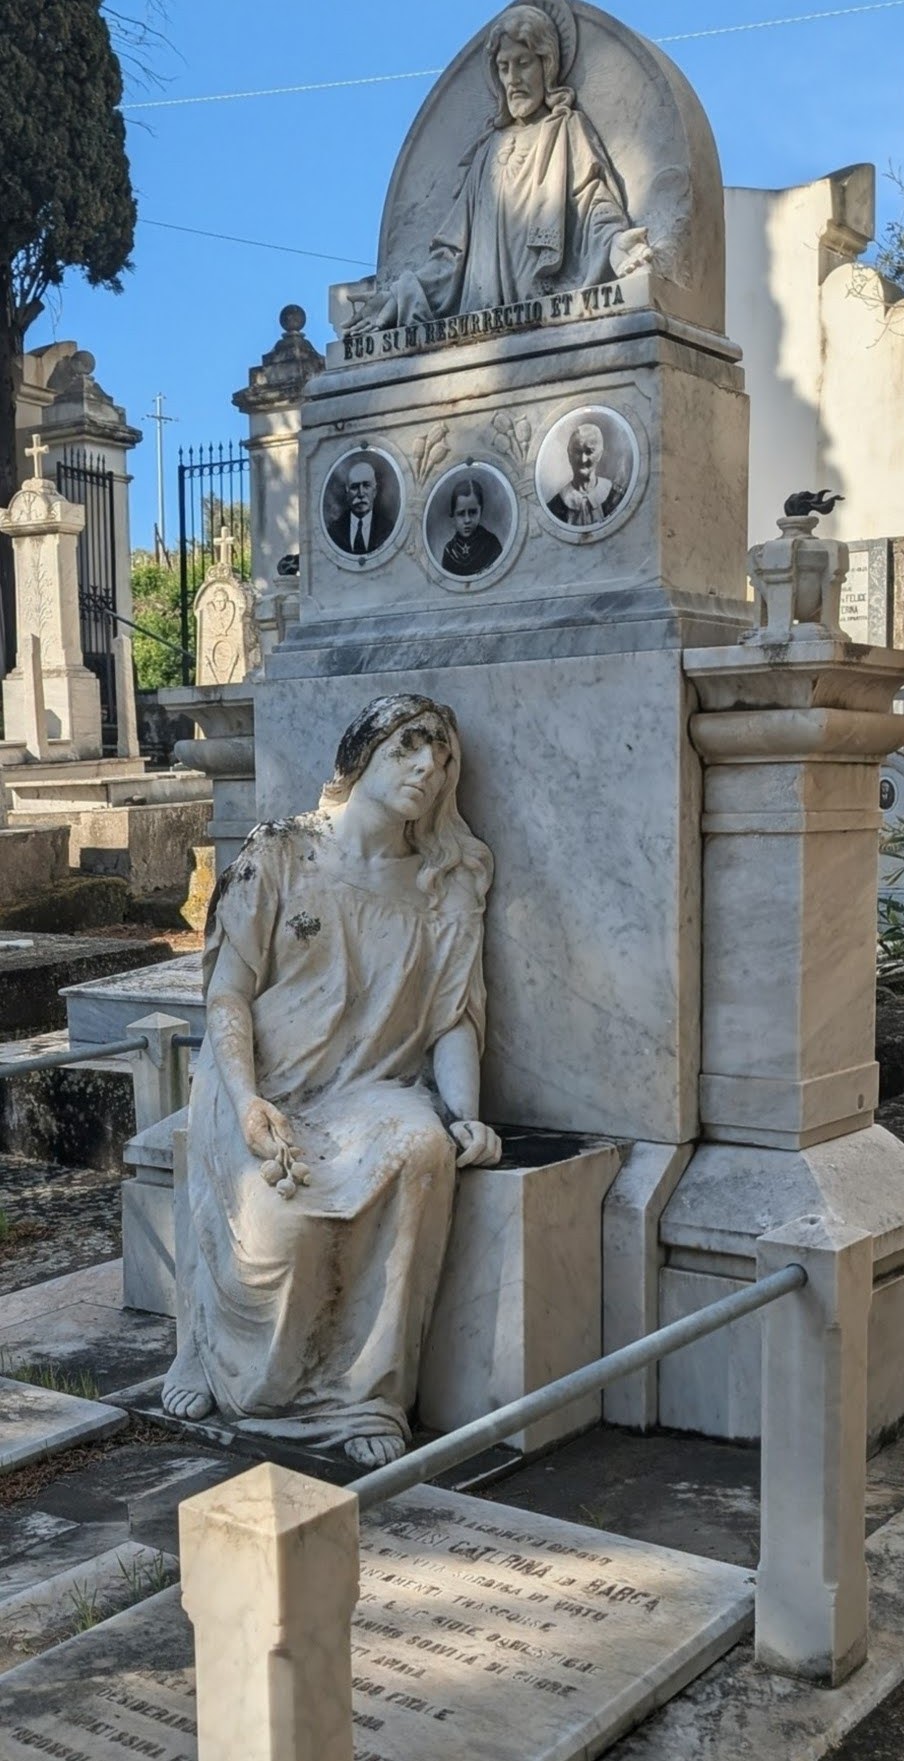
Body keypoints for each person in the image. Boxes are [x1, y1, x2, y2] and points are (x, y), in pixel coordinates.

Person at [161, 694, 501, 1470]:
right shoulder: (279, 850)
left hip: (366, 1088)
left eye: (443, 758)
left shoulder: (444, 884)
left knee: (421, 1148)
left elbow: (452, 1015)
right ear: (362, 756)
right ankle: (206, 1349)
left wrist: (464, 1113)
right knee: (275, 1230)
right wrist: (245, 1100)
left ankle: (366, 1392)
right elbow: (228, 992)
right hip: (260, 1079)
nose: (427, 768)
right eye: (409, 747)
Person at [349, 4, 651, 330]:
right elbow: (452, 256)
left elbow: (594, 208)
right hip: (481, 325)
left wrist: (617, 246)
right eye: (504, 67)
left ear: (547, 65)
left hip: (546, 312)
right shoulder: (485, 154)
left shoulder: (565, 130)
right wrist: (401, 295)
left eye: (523, 64)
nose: (514, 79)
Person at [546, 422, 624, 526]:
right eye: (577, 452)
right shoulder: (556, 506)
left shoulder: (615, 497)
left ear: (600, 454)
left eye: (589, 452)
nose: (583, 460)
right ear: (569, 455)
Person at [325, 458, 395, 556]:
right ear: (347, 493)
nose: (361, 493)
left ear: (374, 492)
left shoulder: (388, 529)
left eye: (366, 486)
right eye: (354, 487)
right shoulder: (334, 531)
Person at [440, 476, 504, 577]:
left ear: (481, 511)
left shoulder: (491, 544)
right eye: (461, 513)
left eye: (473, 512)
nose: (467, 520)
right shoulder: (450, 551)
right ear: (453, 515)